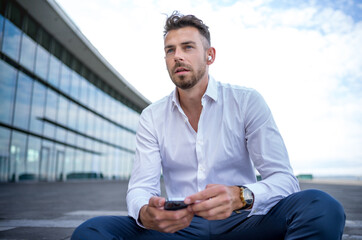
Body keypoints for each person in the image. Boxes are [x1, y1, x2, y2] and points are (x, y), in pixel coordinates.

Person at [72, 11, 346, 240]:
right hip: (180, 228)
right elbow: (141, 187)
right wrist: (145, 212)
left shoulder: (246, 101)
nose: (177, 56)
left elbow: (285, 181)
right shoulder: (152, 117)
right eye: (170, 50)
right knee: (92, 231)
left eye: (187, 47)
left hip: (244, 222)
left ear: (209, 55)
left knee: (321, 207)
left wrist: (243, 196)